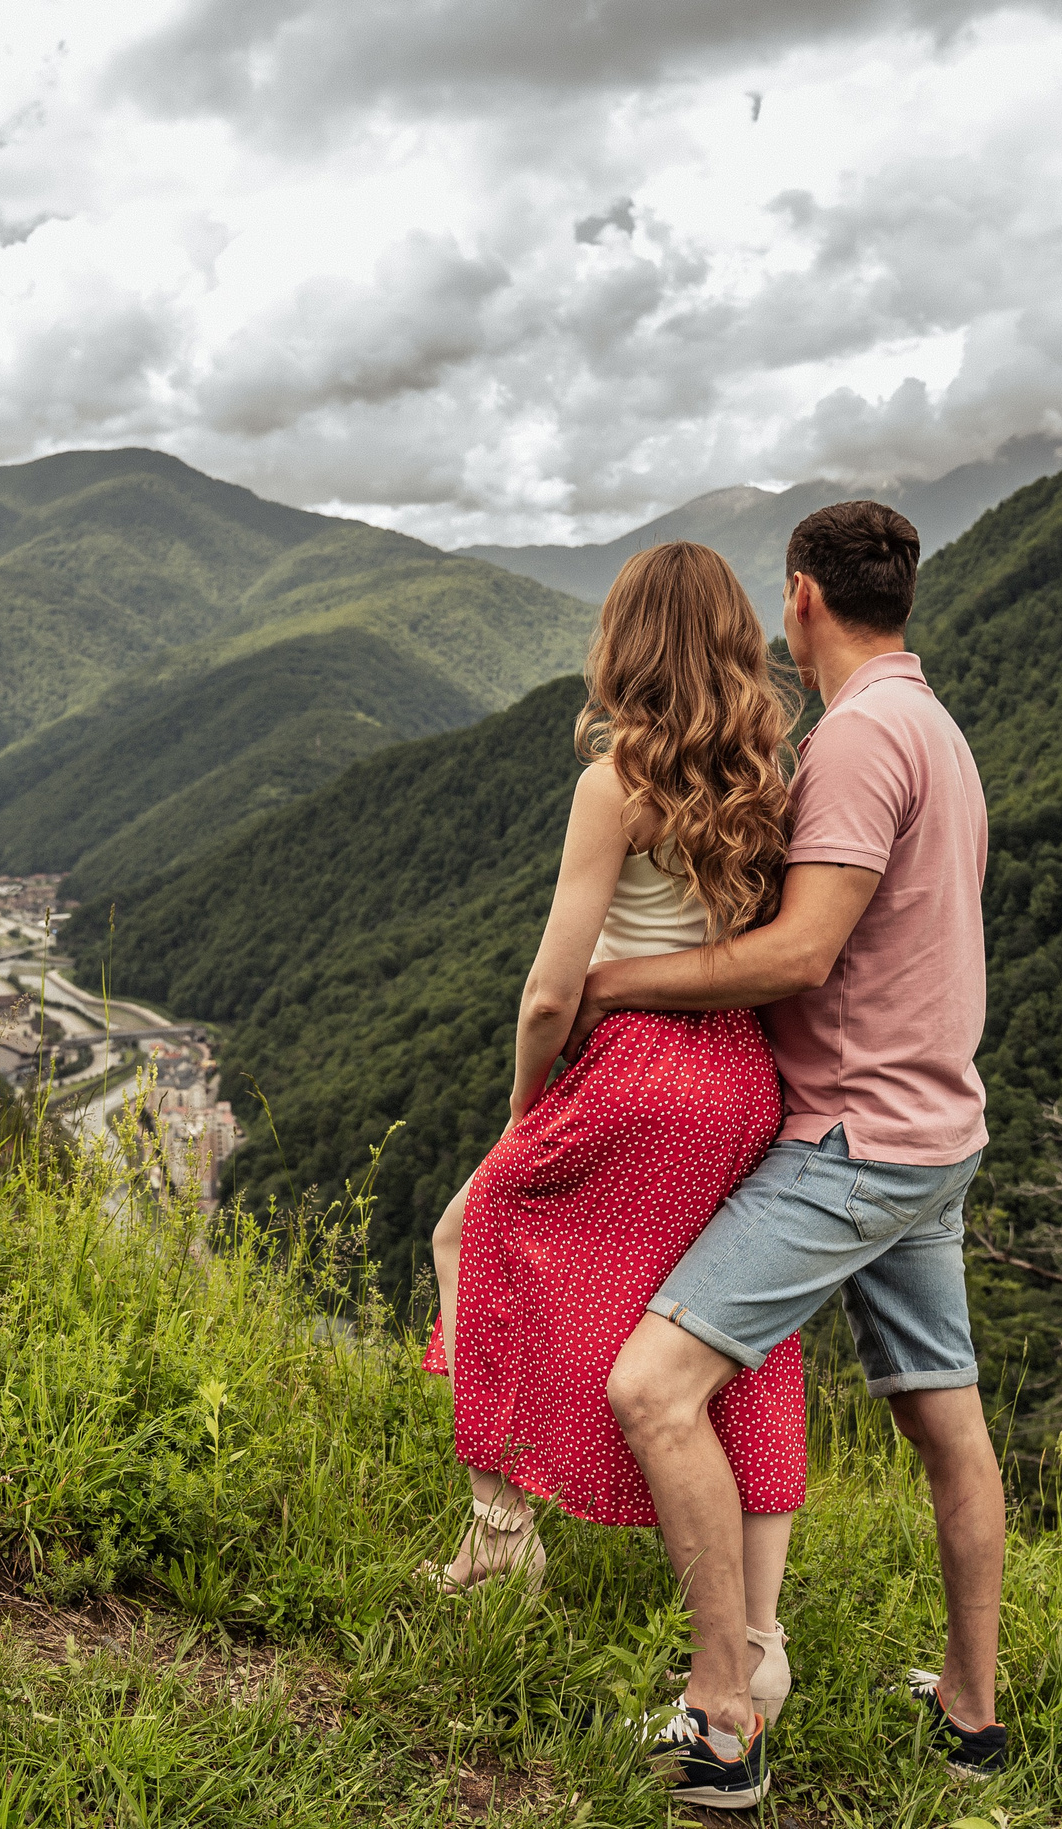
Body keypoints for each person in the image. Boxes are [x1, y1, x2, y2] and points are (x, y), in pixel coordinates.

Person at [569, 501, 1007, 1790]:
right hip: (937, 1128)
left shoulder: (862, 736)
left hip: (849, 1140)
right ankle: (971, 1718)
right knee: (947, 1425)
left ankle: (720, 1720)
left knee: (651, 1387)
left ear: (799, 597)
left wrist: (621, 982)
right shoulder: (933, 724)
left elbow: (803, 948)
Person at [421, 542, 806, 1806]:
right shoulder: (767, 772)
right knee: (718, 1329)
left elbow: (550, 985)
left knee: (470, 1239)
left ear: (623, 640)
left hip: (632, 1072)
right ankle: (760, 1637)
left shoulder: (616, 775)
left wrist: (523, 1115)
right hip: (739, 1076)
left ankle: (500, 1533)